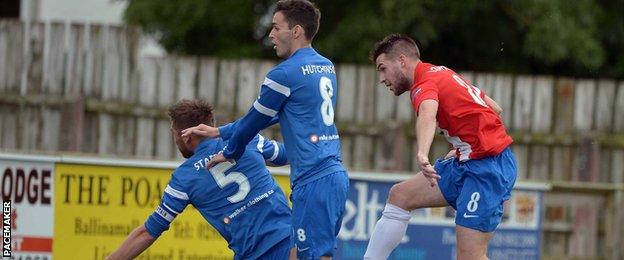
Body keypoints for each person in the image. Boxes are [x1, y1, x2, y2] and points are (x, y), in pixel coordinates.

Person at [181, 1, 349, 259]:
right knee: (305, 254)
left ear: (295, 31)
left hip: (313, 180)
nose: (270, 34)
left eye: (275, 27)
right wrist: (219, 132)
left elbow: (253, 123)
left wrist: (231, 150)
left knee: (312, 257)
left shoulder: (283, 74)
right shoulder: (326, 66)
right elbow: (277, 116)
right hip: (334, 175)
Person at [363, 34, 517, 260]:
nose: (381, 78)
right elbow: (495, 108)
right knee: (400, 195)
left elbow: (427, 114)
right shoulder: (442, 72)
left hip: (486, 171)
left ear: (402, 61)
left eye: (383, 68)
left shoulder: (423, 84)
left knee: (470, 256)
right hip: (468, 162)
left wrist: (422, 152)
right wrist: (466, 146)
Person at [106, 99, 293, 260]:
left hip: (255, 254)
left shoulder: (183, 179)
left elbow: (149, 231)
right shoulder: (248, 139)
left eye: (174, 134)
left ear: (186, 137)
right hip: (294, 241)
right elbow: (291, 154)